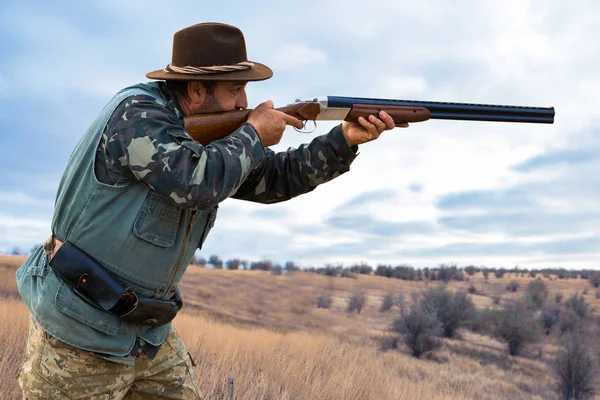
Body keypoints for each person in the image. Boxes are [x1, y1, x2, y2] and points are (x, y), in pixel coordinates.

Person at [15, 22, 400, 399]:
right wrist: (252, 134)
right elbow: (195, 184)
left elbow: (274, 179)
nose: (245, 103)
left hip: (146, 332)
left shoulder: (213, 137)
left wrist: (344, 141)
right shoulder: (137, 115)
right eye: (235, 89)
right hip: (78, 330)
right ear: (196, 89)